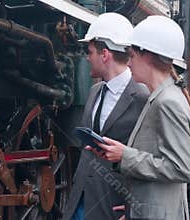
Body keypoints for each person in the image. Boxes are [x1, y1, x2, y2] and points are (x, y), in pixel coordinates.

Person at [86, 16, 190, 220]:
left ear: (147, 56)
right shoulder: (159, 97)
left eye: (131, 56)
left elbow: (184, 168)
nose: (128, 63)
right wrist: (133, 208)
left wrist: (125, 155)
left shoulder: (167, 102)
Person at [63, 13, 149, 220]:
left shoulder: (142, 96)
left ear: (104, 54)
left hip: (114, 203)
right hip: (82, 197)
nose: (86, 57)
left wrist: (136, 209)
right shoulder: (95, 91)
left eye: (89, 51)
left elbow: (150, 158)